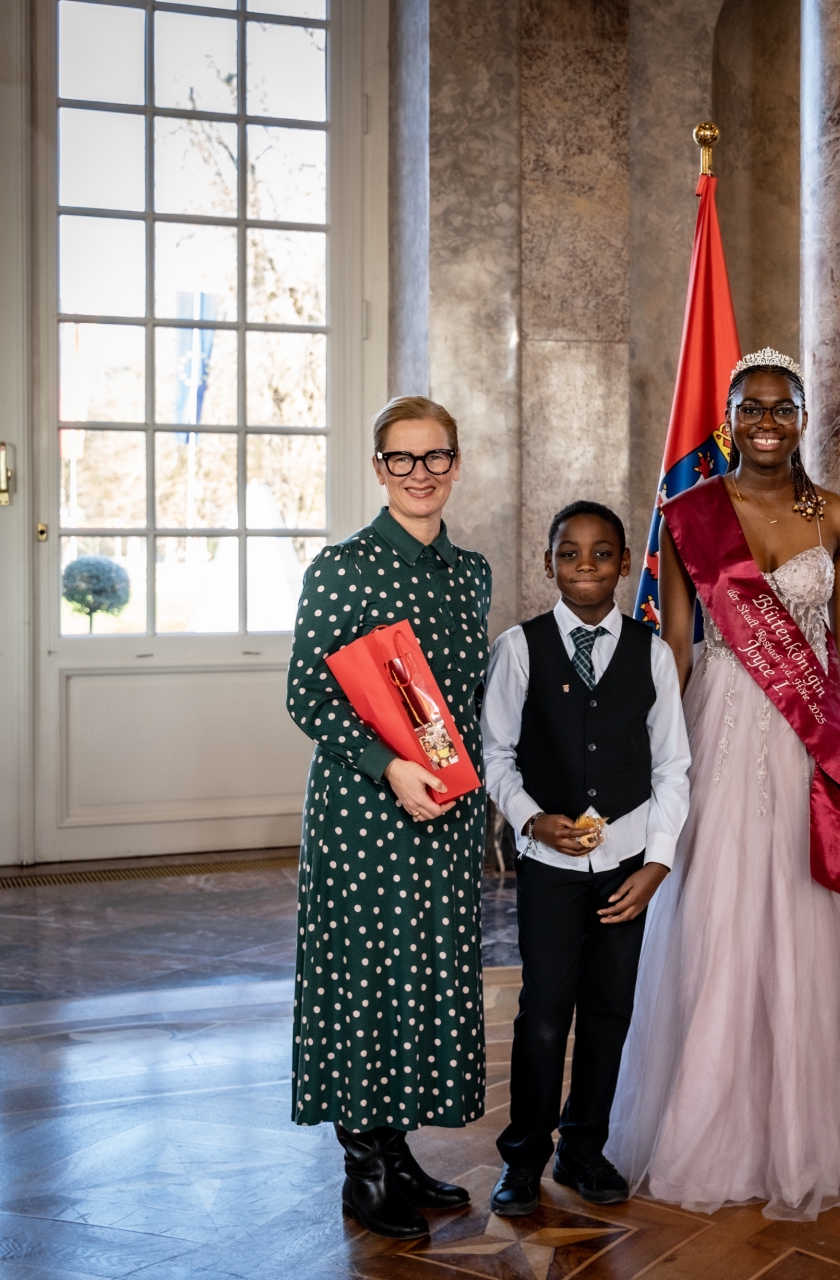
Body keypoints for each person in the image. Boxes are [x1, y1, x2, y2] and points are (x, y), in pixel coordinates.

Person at [606, 349, 840, 1220]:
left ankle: (810, 1128)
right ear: (729, 418)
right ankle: (710, 1124)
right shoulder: (688, 512)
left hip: (810, 731)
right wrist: (652, 755)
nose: (766, 422)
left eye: (782, 408)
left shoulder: (835, 515)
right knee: (719, 912)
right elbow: (674, 648)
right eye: (751, 407)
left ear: (803, 418)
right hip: (722, 723)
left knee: (810, 919)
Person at [286, 396, 490, 1240]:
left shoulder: (470, 572)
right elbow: (308, 694)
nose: (419, 474)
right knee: (366, 978)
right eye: (401, 459)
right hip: (365, 815)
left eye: (435, 457)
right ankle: (363, 1168)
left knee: (421, 975)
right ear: (379, 468)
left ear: (455, 464)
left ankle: (397, 1151)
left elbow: (466, 701)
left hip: (445, 816)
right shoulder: (342, 568)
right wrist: (390, 767)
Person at [478, 501, 692, 1214]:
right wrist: (531, 819)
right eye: (570, 553)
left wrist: (657, 863)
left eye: (603, 553)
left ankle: (583, 1148)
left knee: (608, 1011)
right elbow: (496, 756)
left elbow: (673, 769)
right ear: (550, 564)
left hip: (627, 867)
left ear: (625, 564)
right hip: (550, 869)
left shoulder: (651, 654)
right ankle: (523, 1157)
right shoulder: (519, 648)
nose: (586, 566)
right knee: (543, 1013)